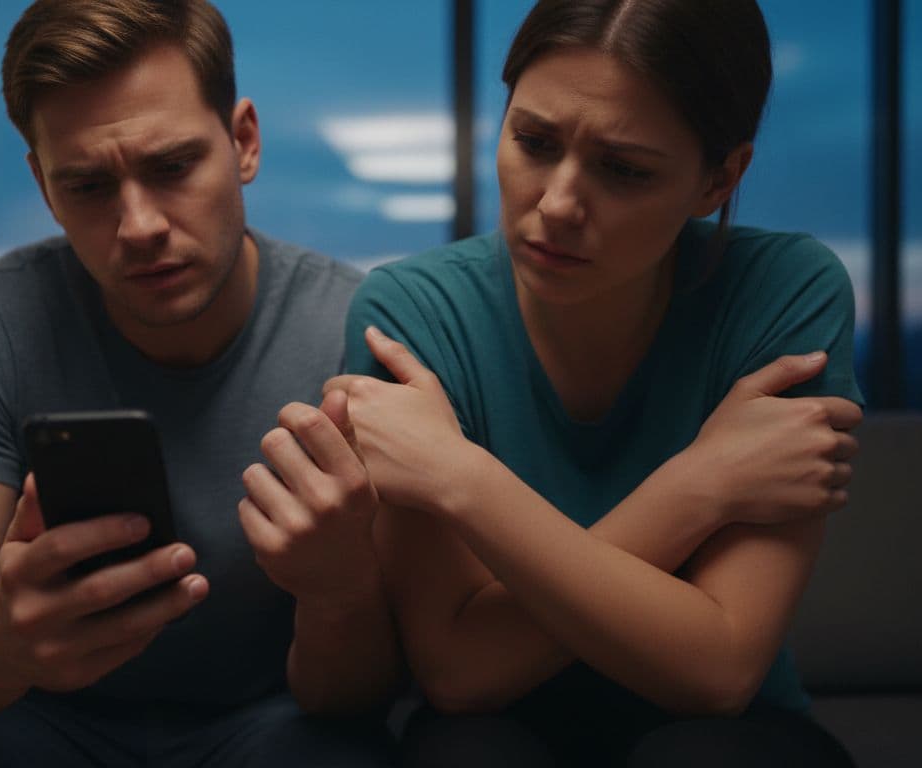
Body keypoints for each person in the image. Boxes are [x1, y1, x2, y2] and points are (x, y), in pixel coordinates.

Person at [0, 1, 400, 765]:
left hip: (273, 721)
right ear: (45, 185)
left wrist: (341, 592)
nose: (139, 226)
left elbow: (361, 698)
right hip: (39, 721)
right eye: (89, 187)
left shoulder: (352, 327)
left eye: (172, 167)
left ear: (244, 141)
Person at [329, 0, 863, 765]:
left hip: (728, 738)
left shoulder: (783, 291)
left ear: (720, 178)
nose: (557, 205)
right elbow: (459, 673)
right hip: (496, 727)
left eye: (623, 170)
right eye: (534, 142)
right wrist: (703, 485)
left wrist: (458, 477)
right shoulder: (413, 312)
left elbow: (719, 673)